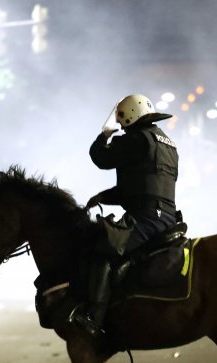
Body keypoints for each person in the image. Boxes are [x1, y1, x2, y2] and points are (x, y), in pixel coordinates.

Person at [69, 94, 180, 339]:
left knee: (105, 250)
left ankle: (92, 317)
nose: (120, 126)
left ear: (128, 115)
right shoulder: (166, 142)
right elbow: (142, 185)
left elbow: (100, 157)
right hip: (167, 215)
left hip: (148, 217)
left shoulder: (136, 139)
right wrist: (103, 196)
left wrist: (105, 133)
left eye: (121, 121)